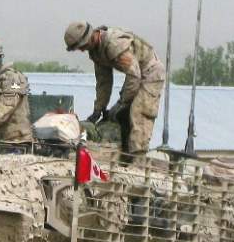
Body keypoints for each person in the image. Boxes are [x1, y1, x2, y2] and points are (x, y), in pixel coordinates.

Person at [63, 21, 165, 155]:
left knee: (139, 110)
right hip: (135, 73)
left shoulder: (113, 44)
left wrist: (123, 103)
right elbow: (103, 82)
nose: (82, 50)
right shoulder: (95, 51)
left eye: (82, 46)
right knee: (114, 115)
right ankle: (125, 151)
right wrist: (98, 109)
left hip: (151, 72)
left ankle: (138, 156)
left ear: (91, 37)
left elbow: (134, 75)